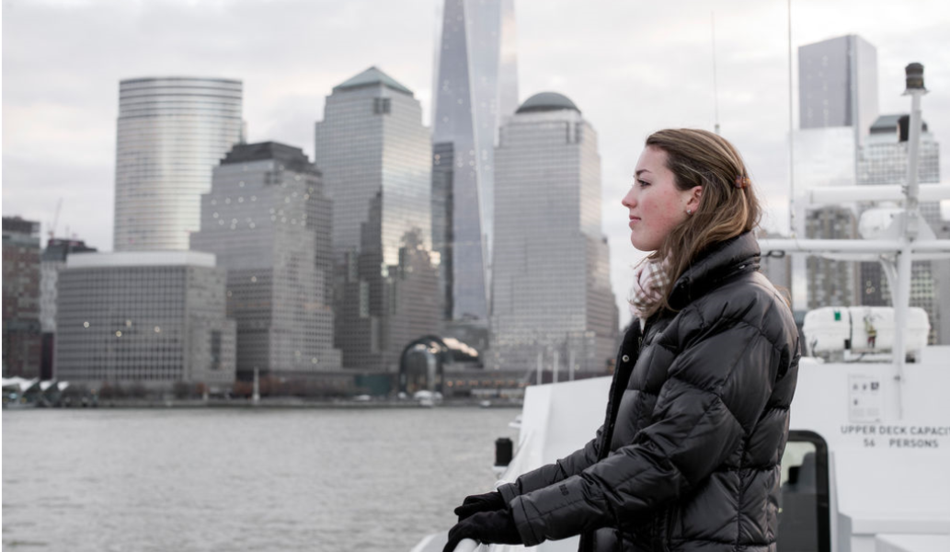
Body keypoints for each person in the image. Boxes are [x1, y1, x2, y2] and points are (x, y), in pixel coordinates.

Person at [443, 128, 801, 552]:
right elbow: (613, 449)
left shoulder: (743, 310)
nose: (628, 198)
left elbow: (666, 460)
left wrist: (519, 522)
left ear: (695, 198)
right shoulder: (677, 308)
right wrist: (508, 498)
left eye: (644, 182)